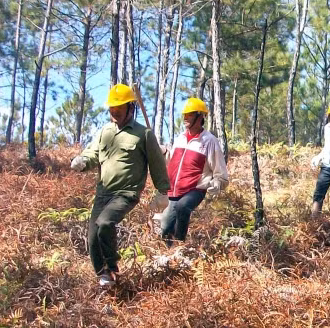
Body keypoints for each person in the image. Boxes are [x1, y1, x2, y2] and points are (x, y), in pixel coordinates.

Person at [70, 84, 170, 288]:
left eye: (119, 108)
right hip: (103, 192)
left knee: (105, 223)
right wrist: (82, 161)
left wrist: (163, 191)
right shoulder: (104, 131)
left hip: (126, 193)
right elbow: (93, 154)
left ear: (130, 108)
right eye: (111, 109)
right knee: (92, 237)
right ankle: (104, 276)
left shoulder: (144, 134)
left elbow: (157, 163)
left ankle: (113, 266)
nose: (114, 112)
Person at [161, 98, 228, 244]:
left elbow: (221, 173)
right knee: (166, 228)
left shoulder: (209, 141)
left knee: (182, 206)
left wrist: (217, 183)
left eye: (189, 114)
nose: (185, 118)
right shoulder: (180, 138)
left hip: (195, 189)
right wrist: (163, 152)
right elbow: (171, 161)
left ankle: (180, 245)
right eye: (185, 114)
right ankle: (171, 255)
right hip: (175, 189)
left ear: (200, 116)